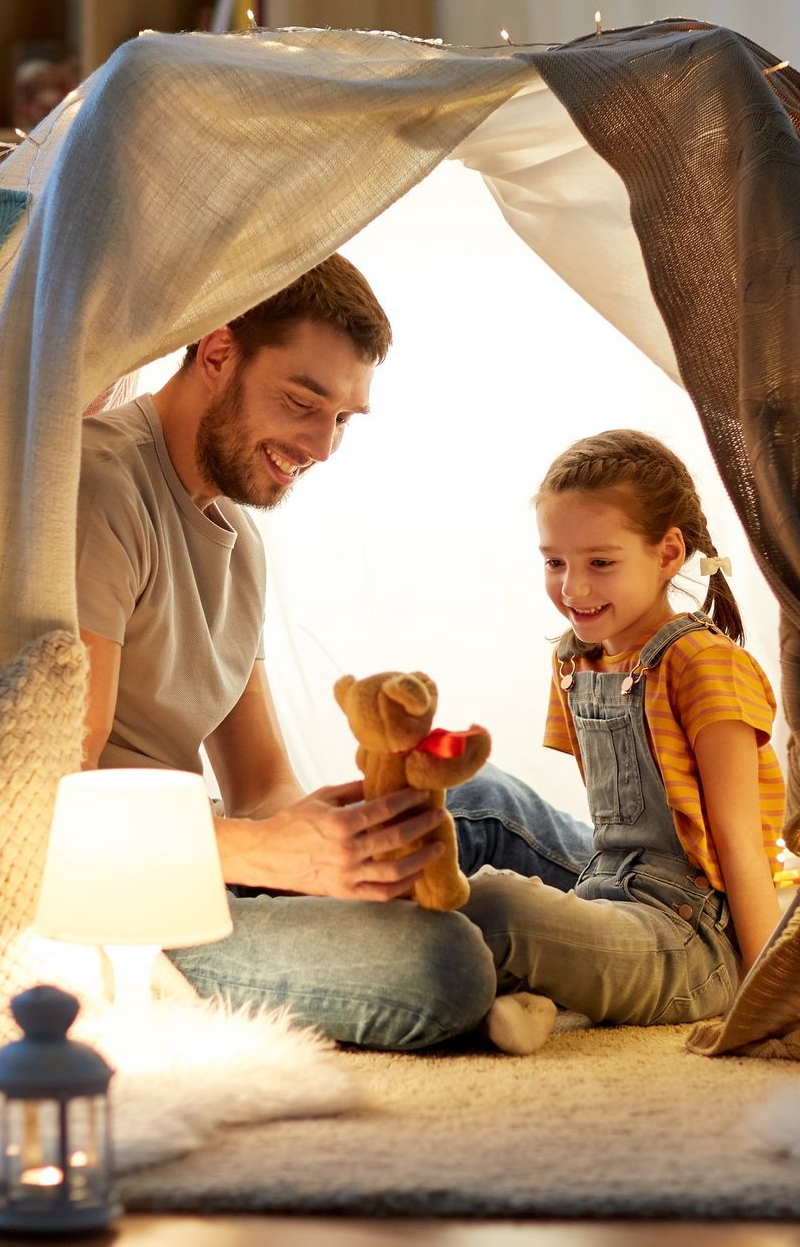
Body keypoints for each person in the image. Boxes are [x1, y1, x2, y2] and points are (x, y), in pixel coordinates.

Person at [74, 254, 594, 1050]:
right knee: (443, 965)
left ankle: (683, 918)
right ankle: (594, 951)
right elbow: (55, 803)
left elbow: (258, 783)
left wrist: (338, 833)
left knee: (478, 802)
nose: (322, 446)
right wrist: (269, 852)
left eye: (344, 418)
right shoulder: (102, 486)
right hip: (129, 899)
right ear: (217, 353)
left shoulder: (240, 539)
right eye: (302, 402)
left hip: (213, 855)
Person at [461, 429, 786, 1055]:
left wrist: (770, 995)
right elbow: (615, 833)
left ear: (668, 553)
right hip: (607, 888)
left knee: (496, 904)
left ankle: (537, 990)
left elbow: (740, 847)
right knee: (463, 831)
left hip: (695, 938)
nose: (573, 589)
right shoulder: (575, 661)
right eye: (555, 562)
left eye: (600, 563)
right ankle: (547, 1002)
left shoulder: (703, 664)